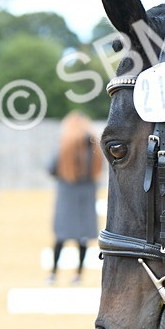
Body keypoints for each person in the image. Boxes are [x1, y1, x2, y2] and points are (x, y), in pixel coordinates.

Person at [48, 111, 103, 285]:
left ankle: (53, 274)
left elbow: (51, 168)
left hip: (67, 194)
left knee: (61, 236)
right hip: (87, 194)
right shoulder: (93, 145)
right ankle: (78, 275)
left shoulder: (65, 144)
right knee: (83, 237)